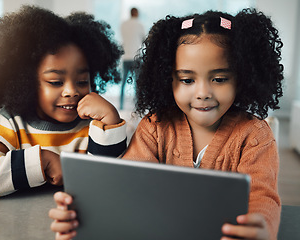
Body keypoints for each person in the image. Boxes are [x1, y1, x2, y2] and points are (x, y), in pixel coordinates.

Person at [48, 8, 283, 240]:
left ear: (241, 78)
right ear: (168, 79)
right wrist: (85, 215)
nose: (202, 93)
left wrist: (260, 227)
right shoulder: (155, 127)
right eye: (187, 80)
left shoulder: (255, 136)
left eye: (219, 79)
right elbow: (127, 188)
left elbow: (262, 199)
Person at [0, 5, 127, 200]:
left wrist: (110, 122)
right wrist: (41, 161)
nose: (72, 91)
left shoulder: (93, 127)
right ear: (27, 82)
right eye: (56, 82)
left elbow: (110, 184)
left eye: (82, 81)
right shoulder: (8, 124)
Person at [119, 7, 145, 109]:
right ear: (136, 13)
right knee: (137, 84)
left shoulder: (123, 25)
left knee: (123, 83)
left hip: (126, 57)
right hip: (136, 57)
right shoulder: (139, 25)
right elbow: (144, 40)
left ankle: (121, 106)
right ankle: (138, 106)